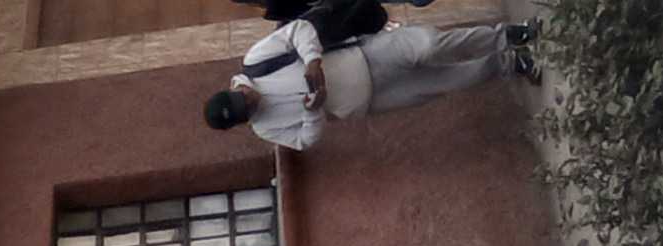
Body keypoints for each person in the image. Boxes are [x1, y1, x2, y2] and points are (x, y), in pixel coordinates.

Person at [206, 10, 535, 150]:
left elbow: (298, 29)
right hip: (371, 100)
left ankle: (505, 36)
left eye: (243, 97)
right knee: (447, 82)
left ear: (235, 87)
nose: (251, 102)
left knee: (430, 45)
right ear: (242, 121)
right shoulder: (264, 128)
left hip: (363, 55)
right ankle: (509, 64)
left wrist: (312, 60)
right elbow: (306, 141)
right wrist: (313, 111)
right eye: (246, 110)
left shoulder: (256, 61)